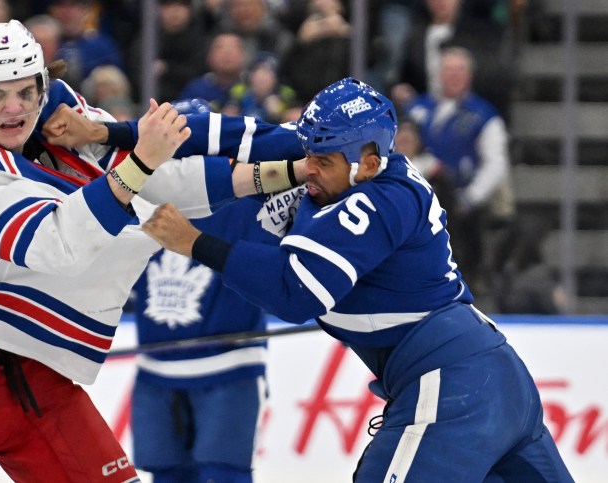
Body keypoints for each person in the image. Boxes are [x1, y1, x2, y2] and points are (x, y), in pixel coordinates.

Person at [0, 19, 304, 482]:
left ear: (42, 85)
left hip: (28, 362)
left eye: (25, 91)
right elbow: (52, 243)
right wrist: (141, 160)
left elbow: (160, 182)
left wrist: (288, 172)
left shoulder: (57, 111)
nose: (14, 107)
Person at [142, 78, 573, 482]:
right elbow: (240, 132)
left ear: (366, 161)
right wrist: (109, 134)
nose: (309, 167)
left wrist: (194, 242)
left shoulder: (367, 198)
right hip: (484, 372)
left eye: (321, 160)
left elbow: (293, 293)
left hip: (451, 383)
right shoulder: (333, 166)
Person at [129, 100, 278, 483]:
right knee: (167, 474)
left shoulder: (251, 202)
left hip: (228, 369)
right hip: (155, 370)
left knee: (221, 475)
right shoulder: (136, 198)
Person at [405, 46, 513, 292]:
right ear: (438, 73)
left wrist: (469, 198)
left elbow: (496, 162)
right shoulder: (416, 108)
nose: (454, 75)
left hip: (459, 210)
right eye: (448, 70)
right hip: (416, 202)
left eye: (459, 70)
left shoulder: (483, 115)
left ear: (470, 75)